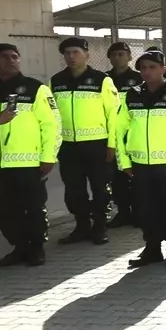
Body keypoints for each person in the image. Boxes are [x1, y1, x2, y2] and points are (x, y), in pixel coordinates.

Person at [114, 50, 166, 267]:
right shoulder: (132, 95)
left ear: (163, 69)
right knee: (145, 209)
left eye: (152, 67)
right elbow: (119, 129)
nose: (147, 72)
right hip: (140, 166)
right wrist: (124, 161)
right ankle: (152, 249)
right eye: (143, 68)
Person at [0, 43, 60, 267]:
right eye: (5, 57)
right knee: (6, 213)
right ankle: (19, 247)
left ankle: (36, 248)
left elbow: (52, 124)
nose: (12, 60)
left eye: (15, 56)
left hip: (29, 163)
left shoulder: (35, 88)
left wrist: (48, 157)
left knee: (33, 208)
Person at [51, 37, 118, 246]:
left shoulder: (102, 80)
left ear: (87, 55)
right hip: (68, 146)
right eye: (67, 53)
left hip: (96, 144)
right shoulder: (56, 81)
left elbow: (114, 114)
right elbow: (51, 115)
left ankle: (99, 227)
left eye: (76, 52)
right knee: (73, 191)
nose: (71, 57)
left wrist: (112, 144)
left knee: (100, 189)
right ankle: (81, 226)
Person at [105, 41, 142, 229]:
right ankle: (123, 211)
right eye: (114, 54)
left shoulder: (139, 79)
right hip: (114, 135)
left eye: (122, 54)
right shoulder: (104, 80)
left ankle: (139, 212)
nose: (118, 57)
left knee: (136, 175)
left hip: (134, 133)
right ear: (109, 58)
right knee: (117, 177)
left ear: (129, 57)